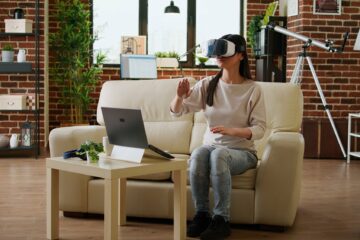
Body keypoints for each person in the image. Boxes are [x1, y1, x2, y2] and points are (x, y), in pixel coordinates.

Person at [170, 34, 266, 240]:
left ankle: (222, 219)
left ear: (241, 55)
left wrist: (234, 131)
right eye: (217, 52)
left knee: (219, 155)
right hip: (212, 149)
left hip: (242, 153)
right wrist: (179, 96)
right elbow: (177, 111)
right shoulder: (208, 85)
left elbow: (260, 129)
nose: (219, 56)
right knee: (197, 154)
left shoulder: (253, 89)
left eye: (225, 51)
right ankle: (202, 215)